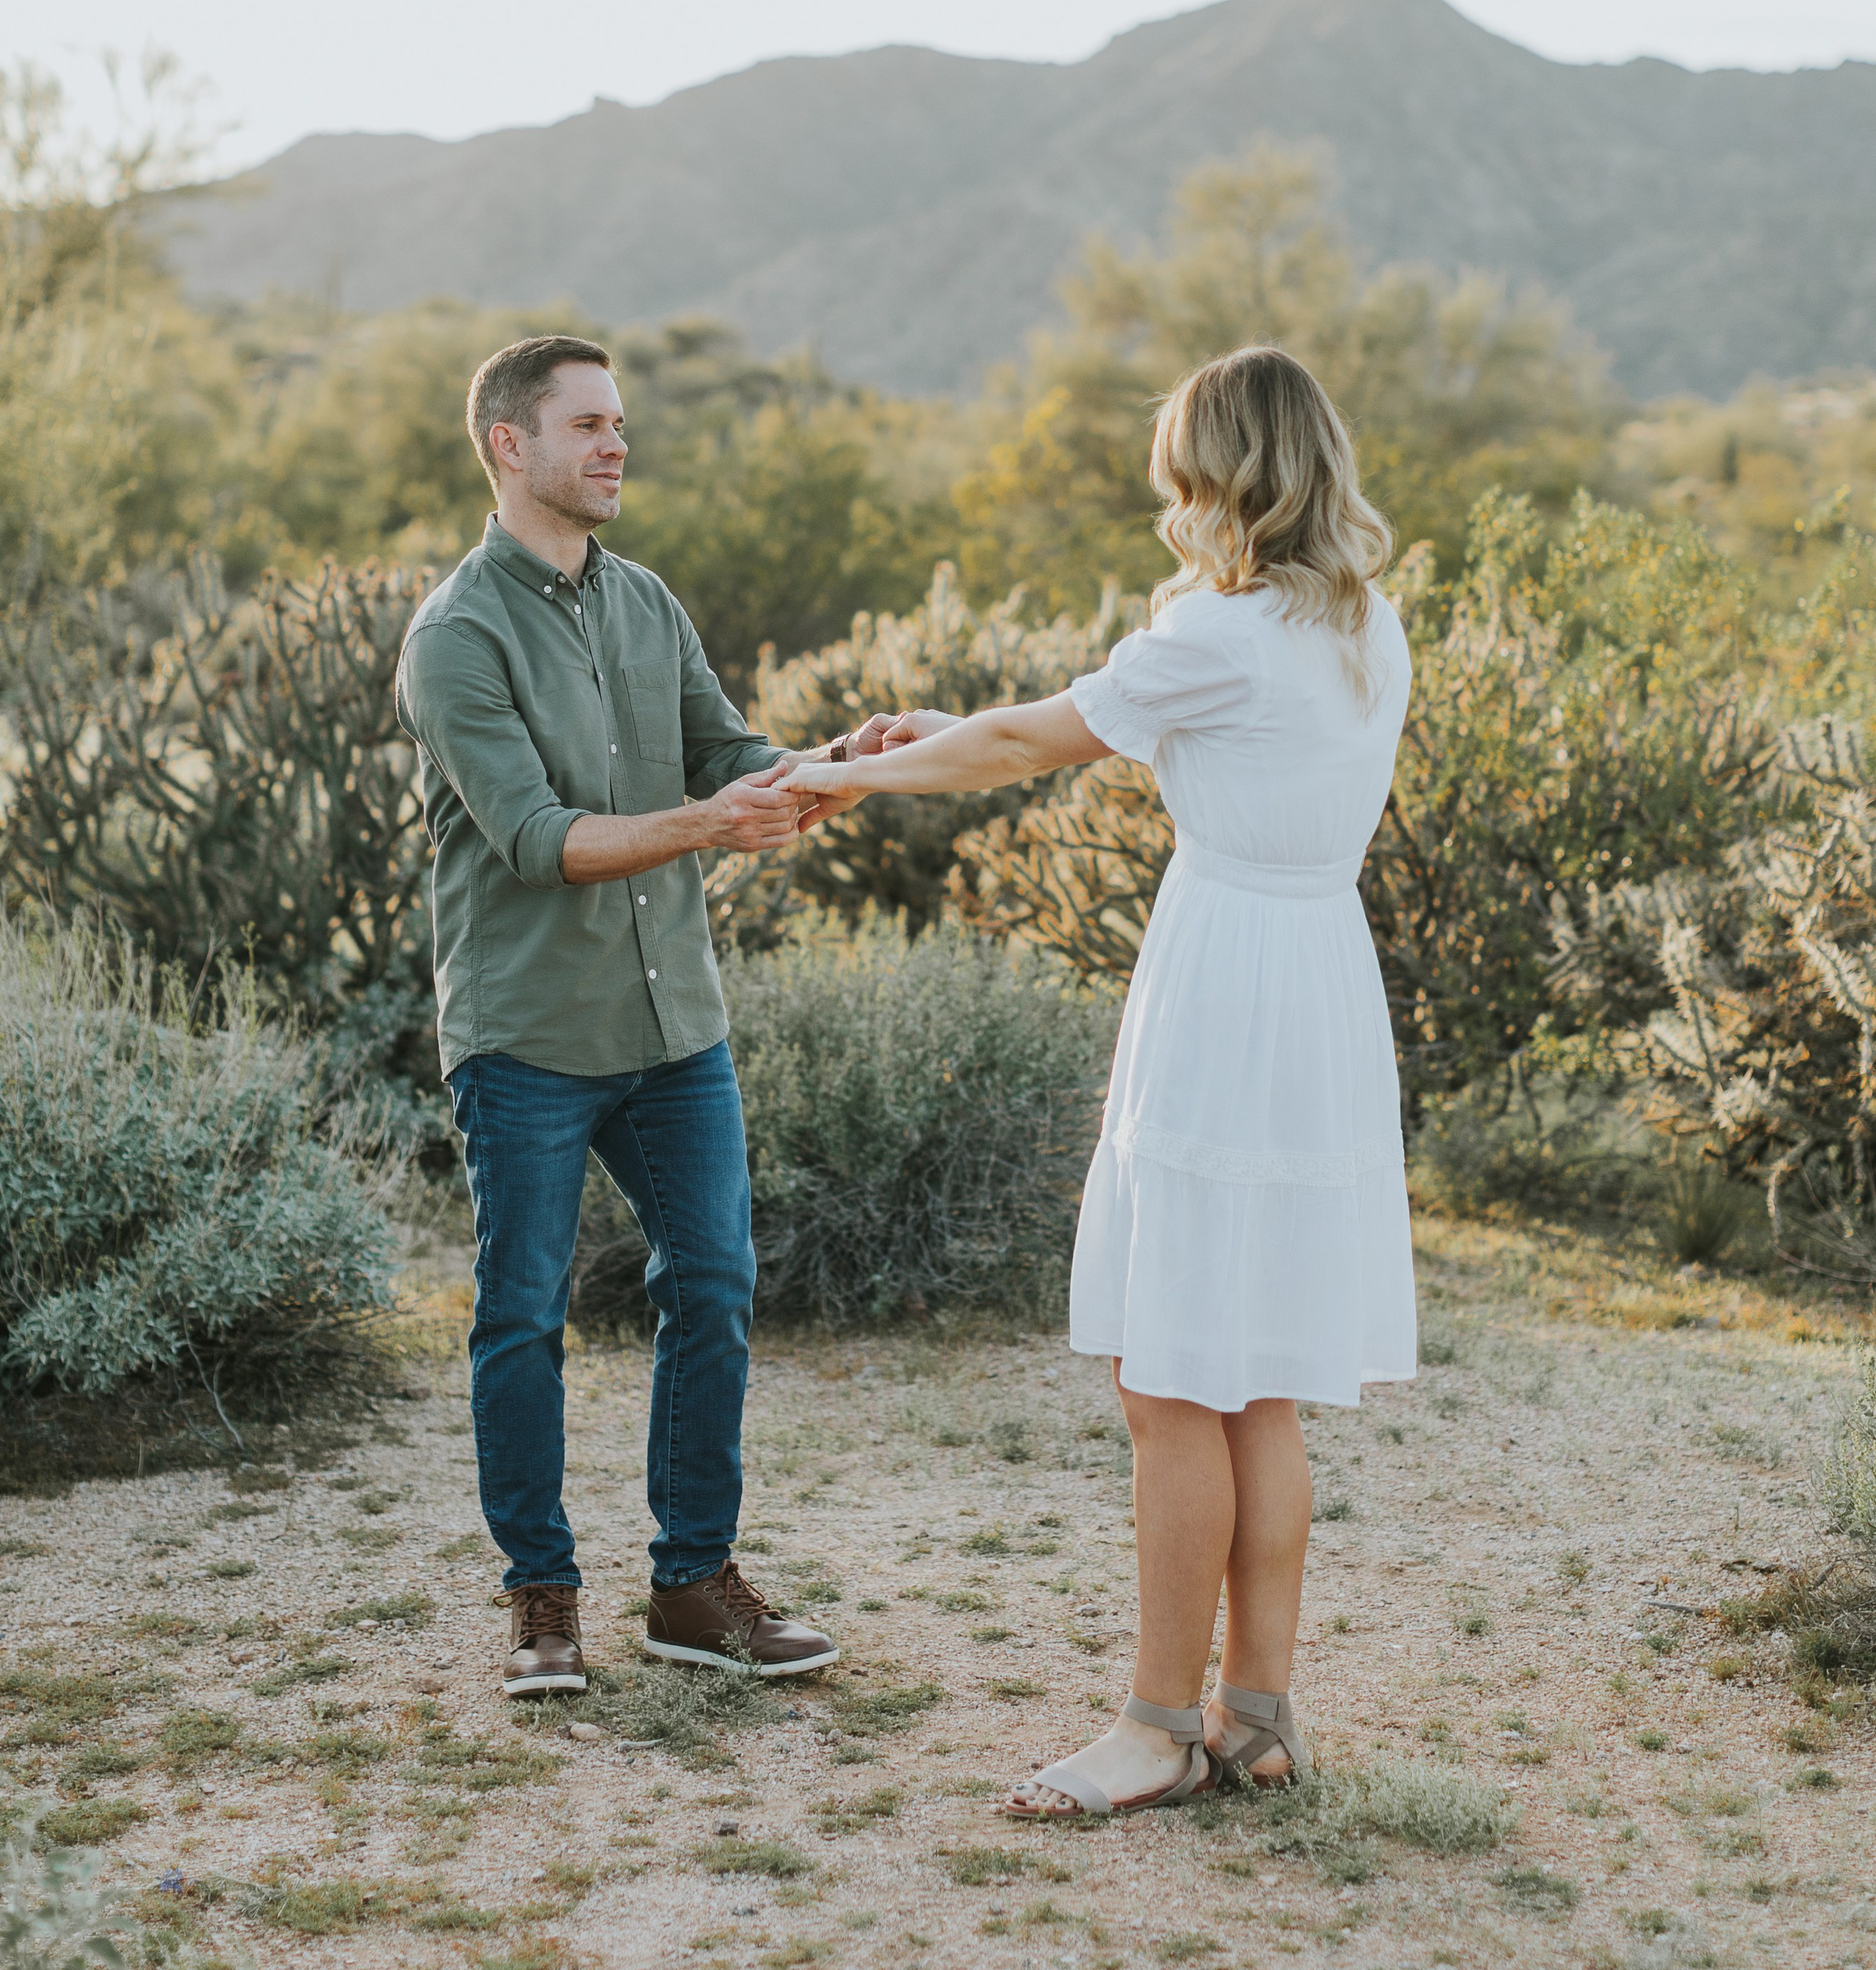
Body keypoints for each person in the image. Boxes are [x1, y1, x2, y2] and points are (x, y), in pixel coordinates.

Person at [783, 343, 1415, 1813]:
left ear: (1220, 475)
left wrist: (852, 772)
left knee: (1167, 1377)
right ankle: (1254, 1712)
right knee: (1254, 1378)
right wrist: (920, 740)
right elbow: (1088, 719)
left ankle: (1152, 1728)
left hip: (1227, 988)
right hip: (1317, 975)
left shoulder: (1222, 625)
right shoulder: (1361, 623)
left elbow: (1023, 742)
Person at [396, 334, 893, 1699]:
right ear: (510, 443)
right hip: (527, 1036)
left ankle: (691, 1586)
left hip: (676, 1029)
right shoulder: (455, 637)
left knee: (717, 1285)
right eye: (588, 424)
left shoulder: (649, 601)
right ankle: (541, 1600)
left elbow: (726, 753)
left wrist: (832, 764)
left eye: (622, 423)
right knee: (520, 1314)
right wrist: (707, 826)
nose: (617, 445)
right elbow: (537, 840)